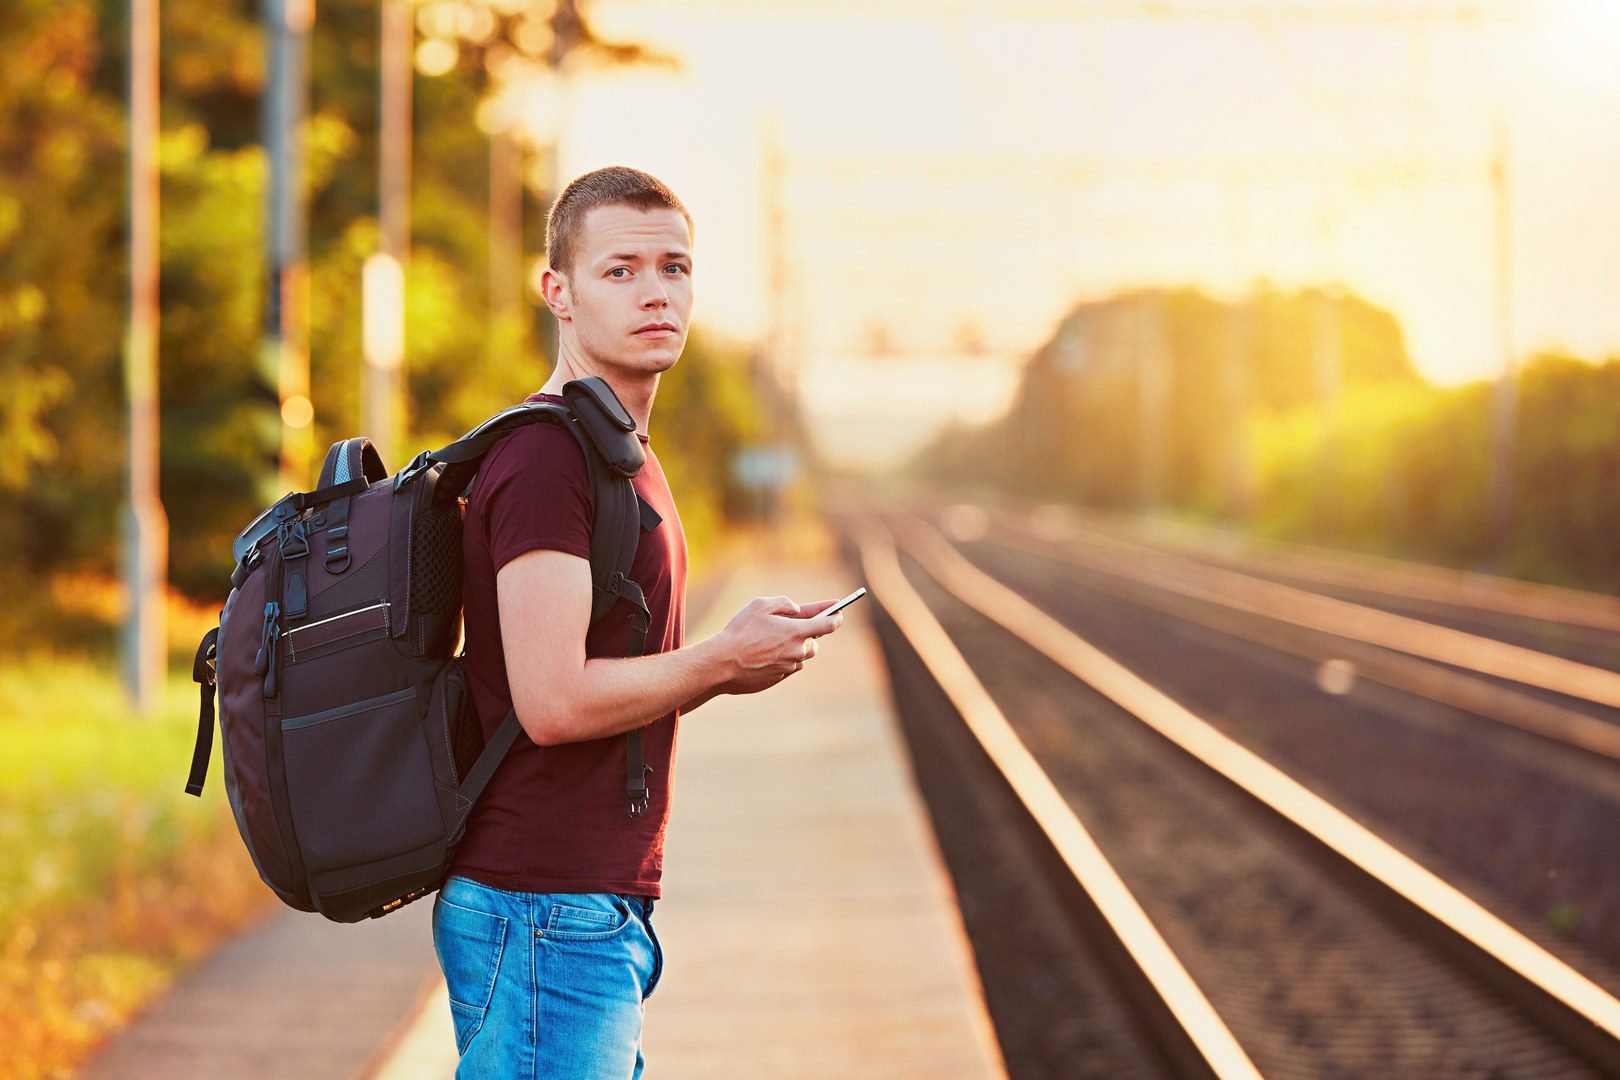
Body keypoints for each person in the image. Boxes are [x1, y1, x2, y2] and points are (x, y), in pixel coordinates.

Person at [432, 165, 844, 1079]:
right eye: (619, 270)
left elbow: (610, 684)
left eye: (675, 267)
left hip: (587, 901)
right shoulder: (549, 458)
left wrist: (731, 663)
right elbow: (551, 702)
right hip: (541, 900)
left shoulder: (620, 455)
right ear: (559, 292)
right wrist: (720, 658)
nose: (655, 291)